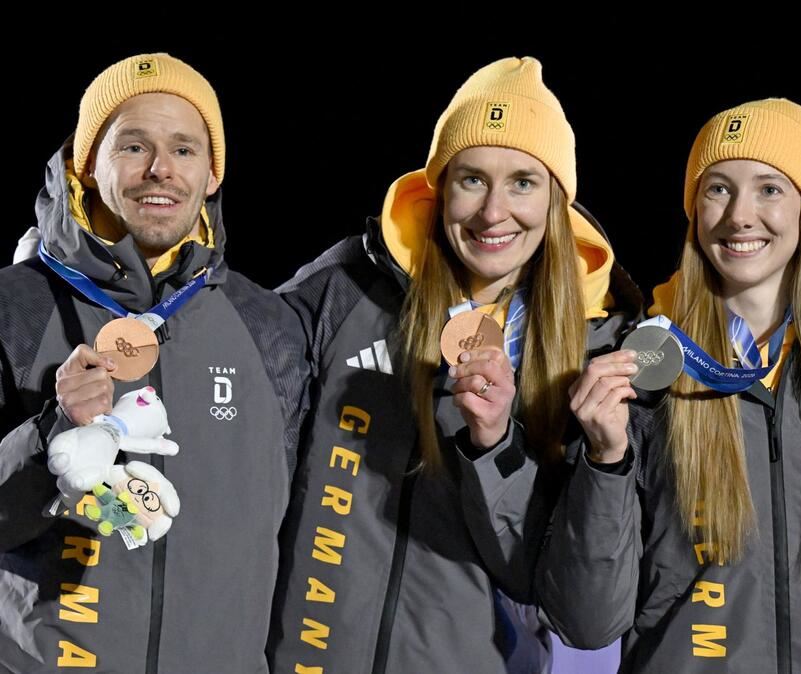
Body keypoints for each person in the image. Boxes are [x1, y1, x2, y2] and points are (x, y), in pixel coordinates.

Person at [270, 56, 638, 673]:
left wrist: (497, 446)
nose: (493, 213)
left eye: (523, 181)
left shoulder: (595, 350)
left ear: (555, 201)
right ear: (437, 191)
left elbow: (588, 618)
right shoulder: (347, 291)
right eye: (472, 179)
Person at [538, 98, 801, 672]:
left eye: (770, 189)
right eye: (718, 189)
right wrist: (605, 461)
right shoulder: (641, 370)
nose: (740, 216)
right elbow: (586, 623)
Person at [0, 53, 307, 672]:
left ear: (214, 173)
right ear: (85, 163)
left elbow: (286, 535)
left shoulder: (269, 324)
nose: (160, 170)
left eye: (185, 150)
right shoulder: (16, 306)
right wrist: (48, 440)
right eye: (133, 146)